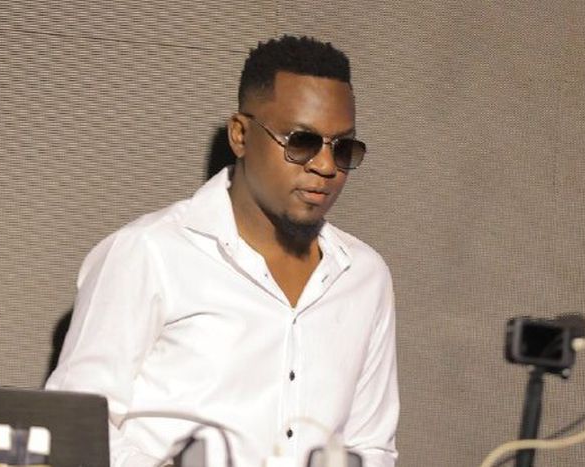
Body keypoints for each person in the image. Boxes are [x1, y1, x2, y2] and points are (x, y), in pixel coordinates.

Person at [46, 35, 399, 467]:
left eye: (343, 148)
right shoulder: (149, 252)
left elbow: (370, 446)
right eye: (301, 142)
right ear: (241, 134)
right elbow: (74, 425)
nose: (325, 166)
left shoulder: (364, 276)